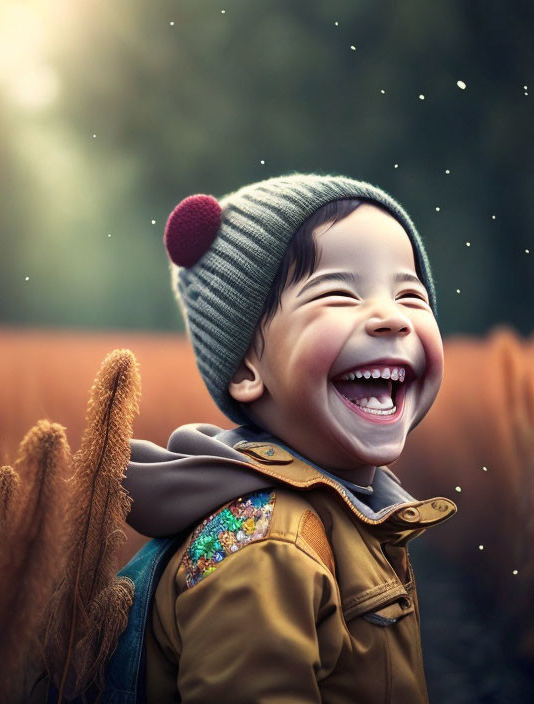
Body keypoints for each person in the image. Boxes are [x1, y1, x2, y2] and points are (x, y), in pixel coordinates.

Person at [121, 173, 458, 703]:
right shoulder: (267, 547)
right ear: (248, 368)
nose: (390, 318)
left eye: (410, 294)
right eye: (340, 294)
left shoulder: (343, 506)